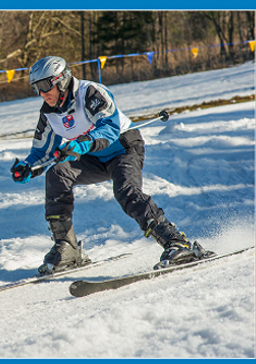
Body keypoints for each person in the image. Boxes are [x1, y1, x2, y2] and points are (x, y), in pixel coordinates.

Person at [12, 56, 208, 274]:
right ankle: (67, 247)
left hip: (124, 148)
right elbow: (43, 150)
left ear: (62, 79)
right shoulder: (48, 113)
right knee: (57, 173)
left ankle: (176, 241)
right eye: (36, 88)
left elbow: (109, 127)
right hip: (93, 158)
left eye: (45, 86)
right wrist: (27, 166)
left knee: (126, 191)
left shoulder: (90, 93)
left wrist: (82, 144)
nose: (41, 93)